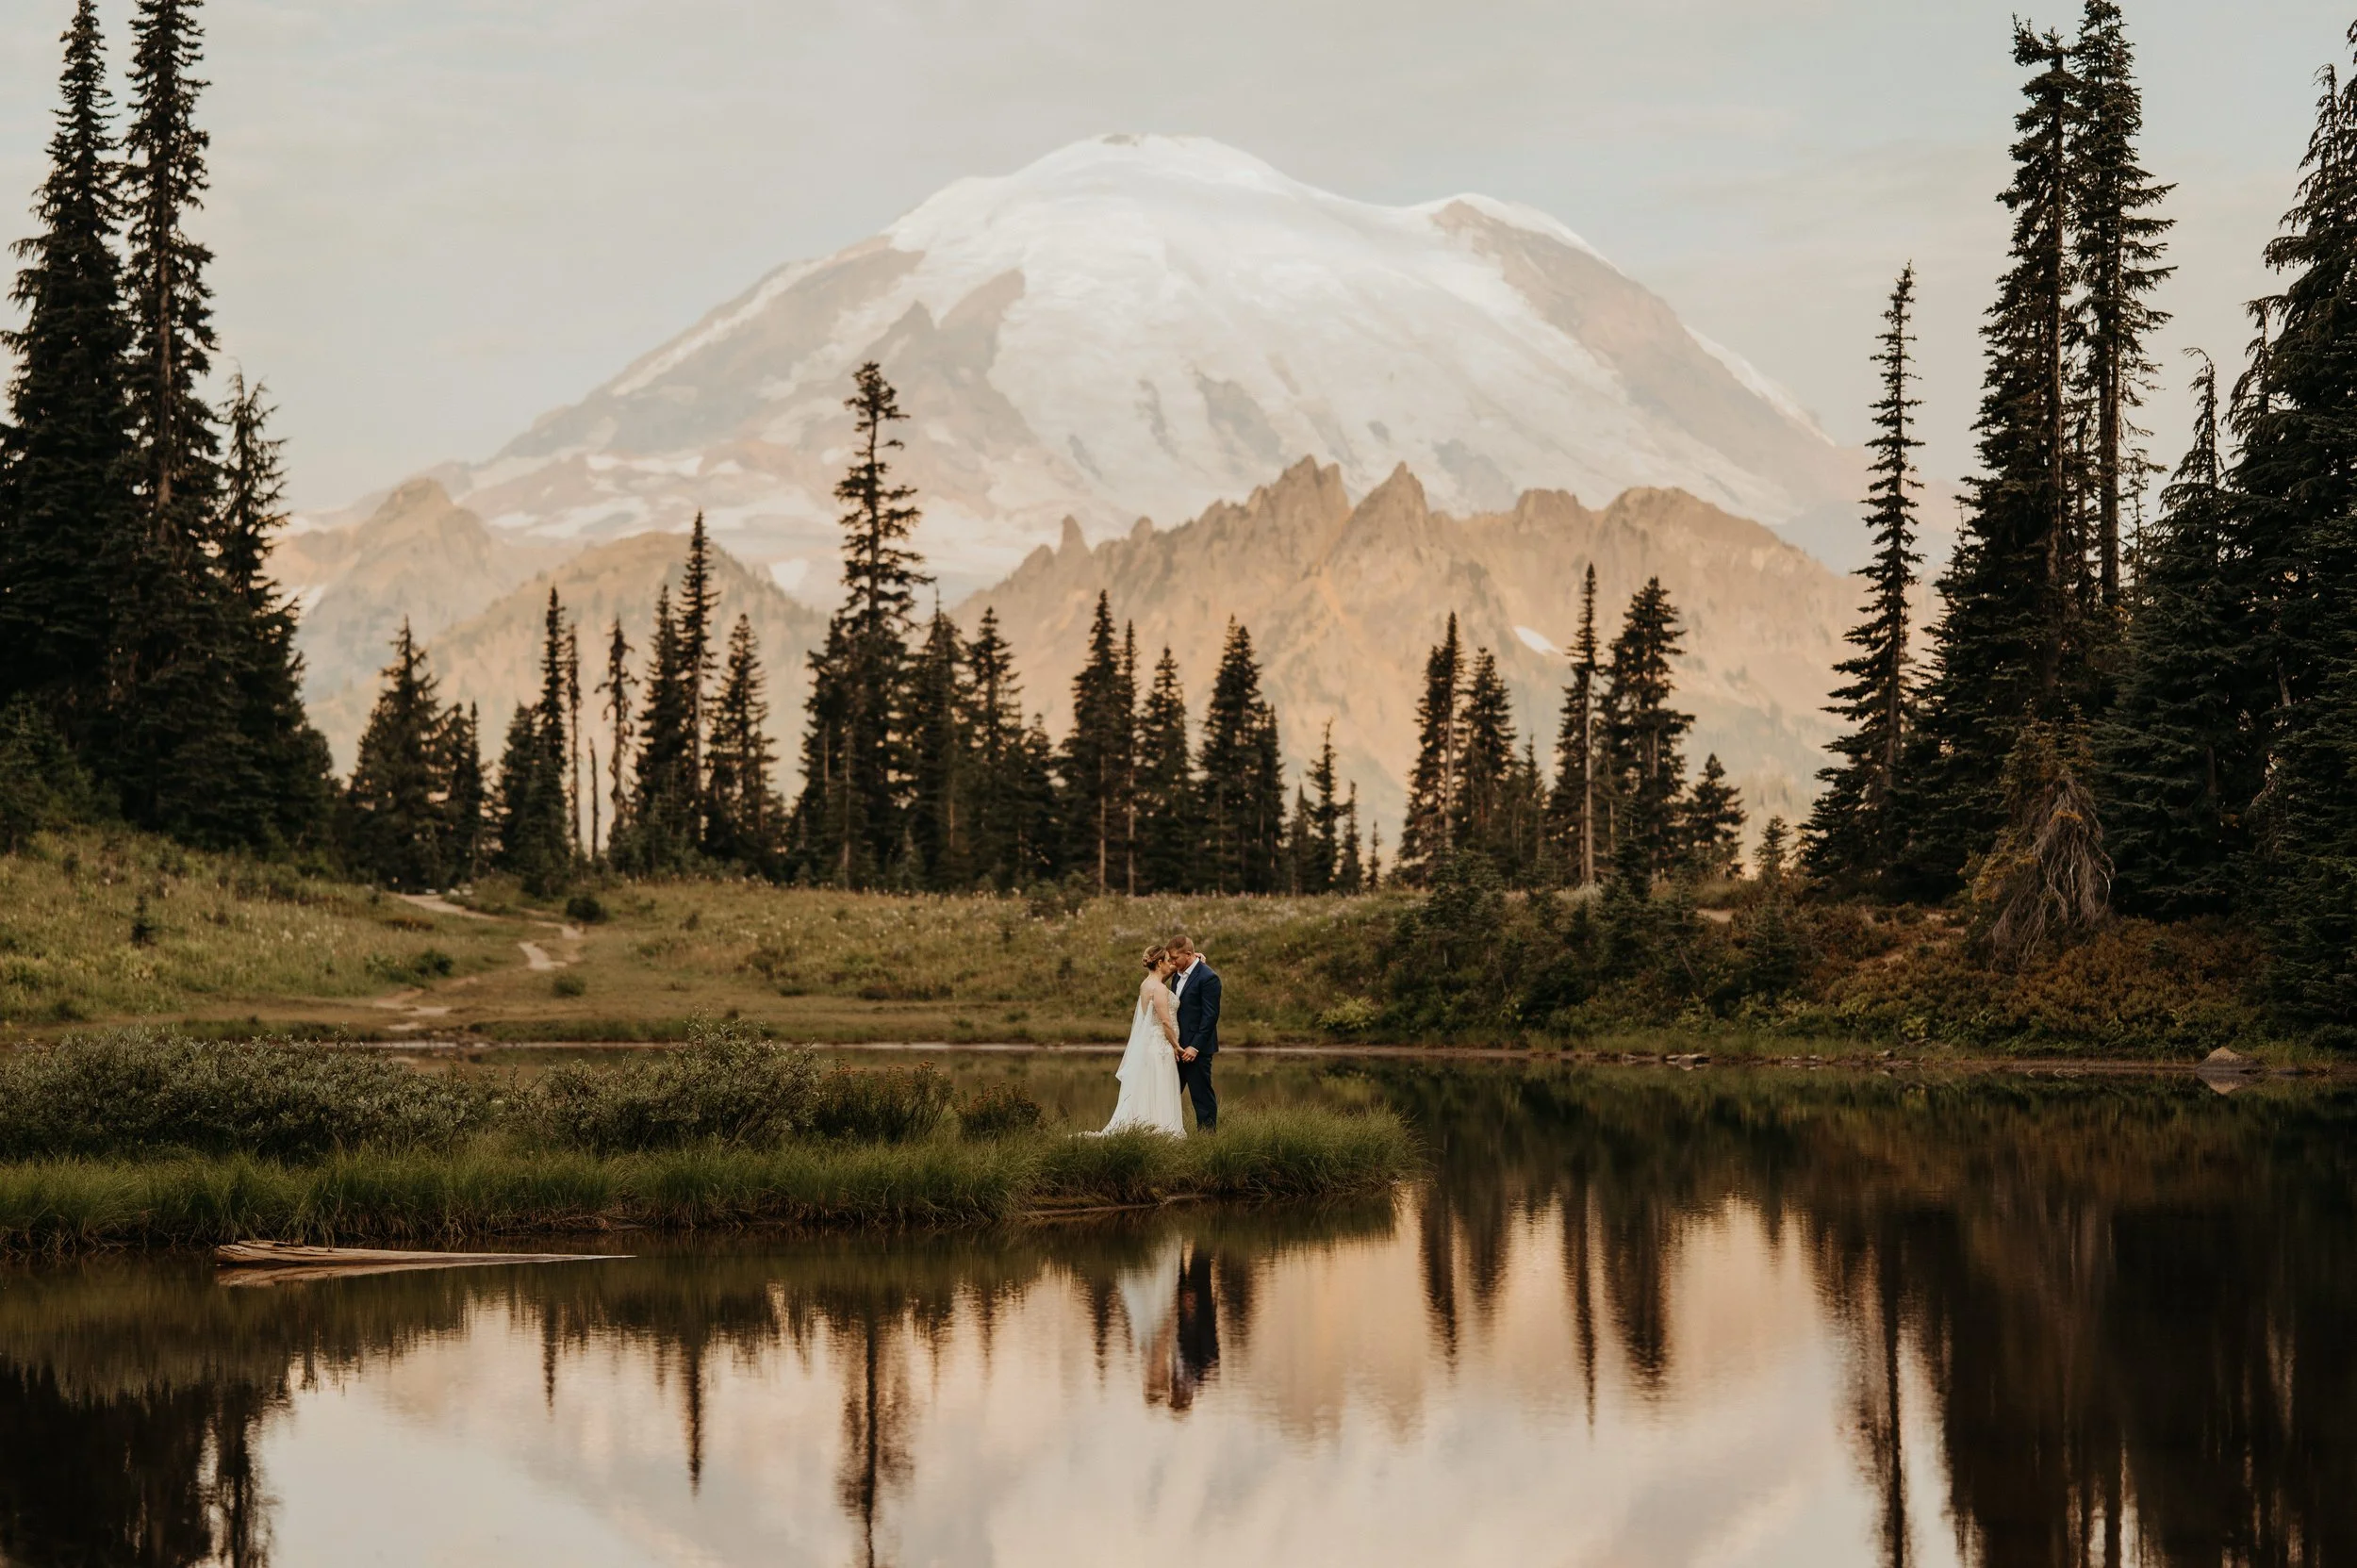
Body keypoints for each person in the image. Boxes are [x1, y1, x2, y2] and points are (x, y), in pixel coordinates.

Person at [1093, 943, 1187, 1136]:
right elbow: (1165, 1023)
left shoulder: (1146, 984)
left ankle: (1147, 1129)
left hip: (1150, 1045)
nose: (1172, 965)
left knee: (1149, 1088)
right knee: (1160, 1089)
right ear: (1159, 962)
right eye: (1168, 961)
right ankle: (1161, 1131)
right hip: (1160, 1046)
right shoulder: (1159, 989)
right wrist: (1176, 1046)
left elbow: (1161, 978)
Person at [1168, 935, 1220, 1131]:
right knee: (1169, 1094)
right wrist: (1175, 1045)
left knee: (1201, 1096)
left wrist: (1195, 1046)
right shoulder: (1177, 974)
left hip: (1197, 1050)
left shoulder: (1208, 978)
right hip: (1177, 1048)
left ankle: (1207, 1140)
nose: (1172, 963)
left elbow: (1210, 1017)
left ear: (1188, 954)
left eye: (1174, 958)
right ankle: (1165, 1135)